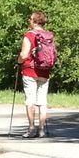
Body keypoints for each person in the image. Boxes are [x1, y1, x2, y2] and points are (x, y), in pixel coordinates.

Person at [18, 11, 53, 139]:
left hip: (30, 71)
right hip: (44, 71)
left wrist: (18, 61)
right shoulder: (48, 36)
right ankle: (41, 130)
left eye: (30, 19)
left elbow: (24, 55)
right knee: (42, 102)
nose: (29, 21)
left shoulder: (29, 35)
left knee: (30, 101)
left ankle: (32, 129)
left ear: (34, 21)